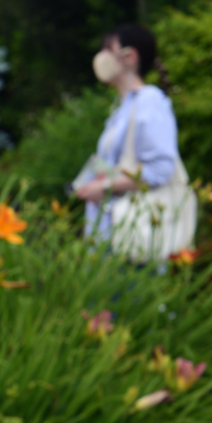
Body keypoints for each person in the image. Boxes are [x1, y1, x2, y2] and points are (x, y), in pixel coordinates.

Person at [75, 24, 192, 255]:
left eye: (108, 49)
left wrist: (104, 186)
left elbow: (160, 169)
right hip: (113, 237)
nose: (101, 57)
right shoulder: (124, 106)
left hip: (132, 243)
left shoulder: (150, 102)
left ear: (129, 56)